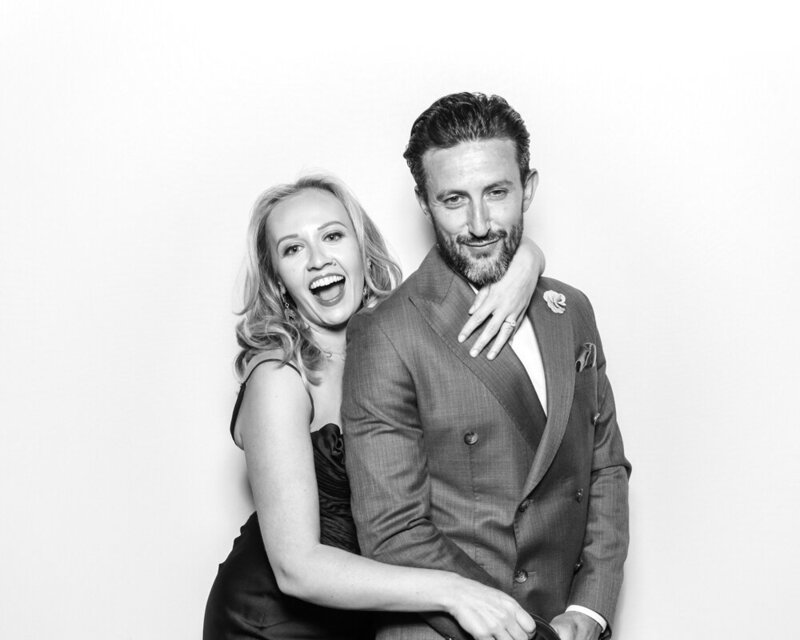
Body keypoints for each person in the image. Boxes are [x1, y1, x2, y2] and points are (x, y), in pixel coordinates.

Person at [203, 174, 548, 640]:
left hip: (371, 616)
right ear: (278, 280)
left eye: (332, 236)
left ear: (363, 249)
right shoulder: (279, 377)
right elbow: (296, 567)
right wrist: (455, 592)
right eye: (293, 249)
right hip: (273, 623)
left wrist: (528, 259)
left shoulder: (399, 341)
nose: (318, 259)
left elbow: (479, 263)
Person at [342, 92, 631, 640]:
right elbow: (393, 530)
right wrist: (529, 633)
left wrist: (589, 610)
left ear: (528, 189)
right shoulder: (387, 334)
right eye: (454, 199)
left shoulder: (571, 310)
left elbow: (604, 468)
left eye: (496, 192)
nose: (478, 224)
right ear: (424, 202)